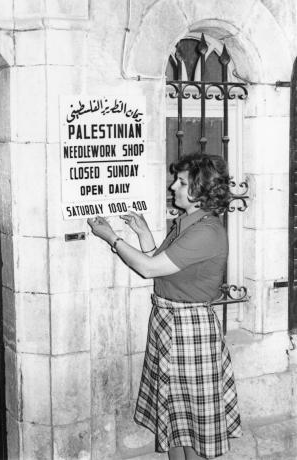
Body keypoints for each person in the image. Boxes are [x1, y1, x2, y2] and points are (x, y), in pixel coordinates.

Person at [87, 153, 242, 460]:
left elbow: (149, 269)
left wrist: (112, 238)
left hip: (189, 329)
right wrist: (144, 232)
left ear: (200, 190)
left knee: (194, 428)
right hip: (170, 324)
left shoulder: (206, 232)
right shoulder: (186, 224)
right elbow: (161, 263)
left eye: (182, 182)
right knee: (174, 419)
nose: (173, 186)